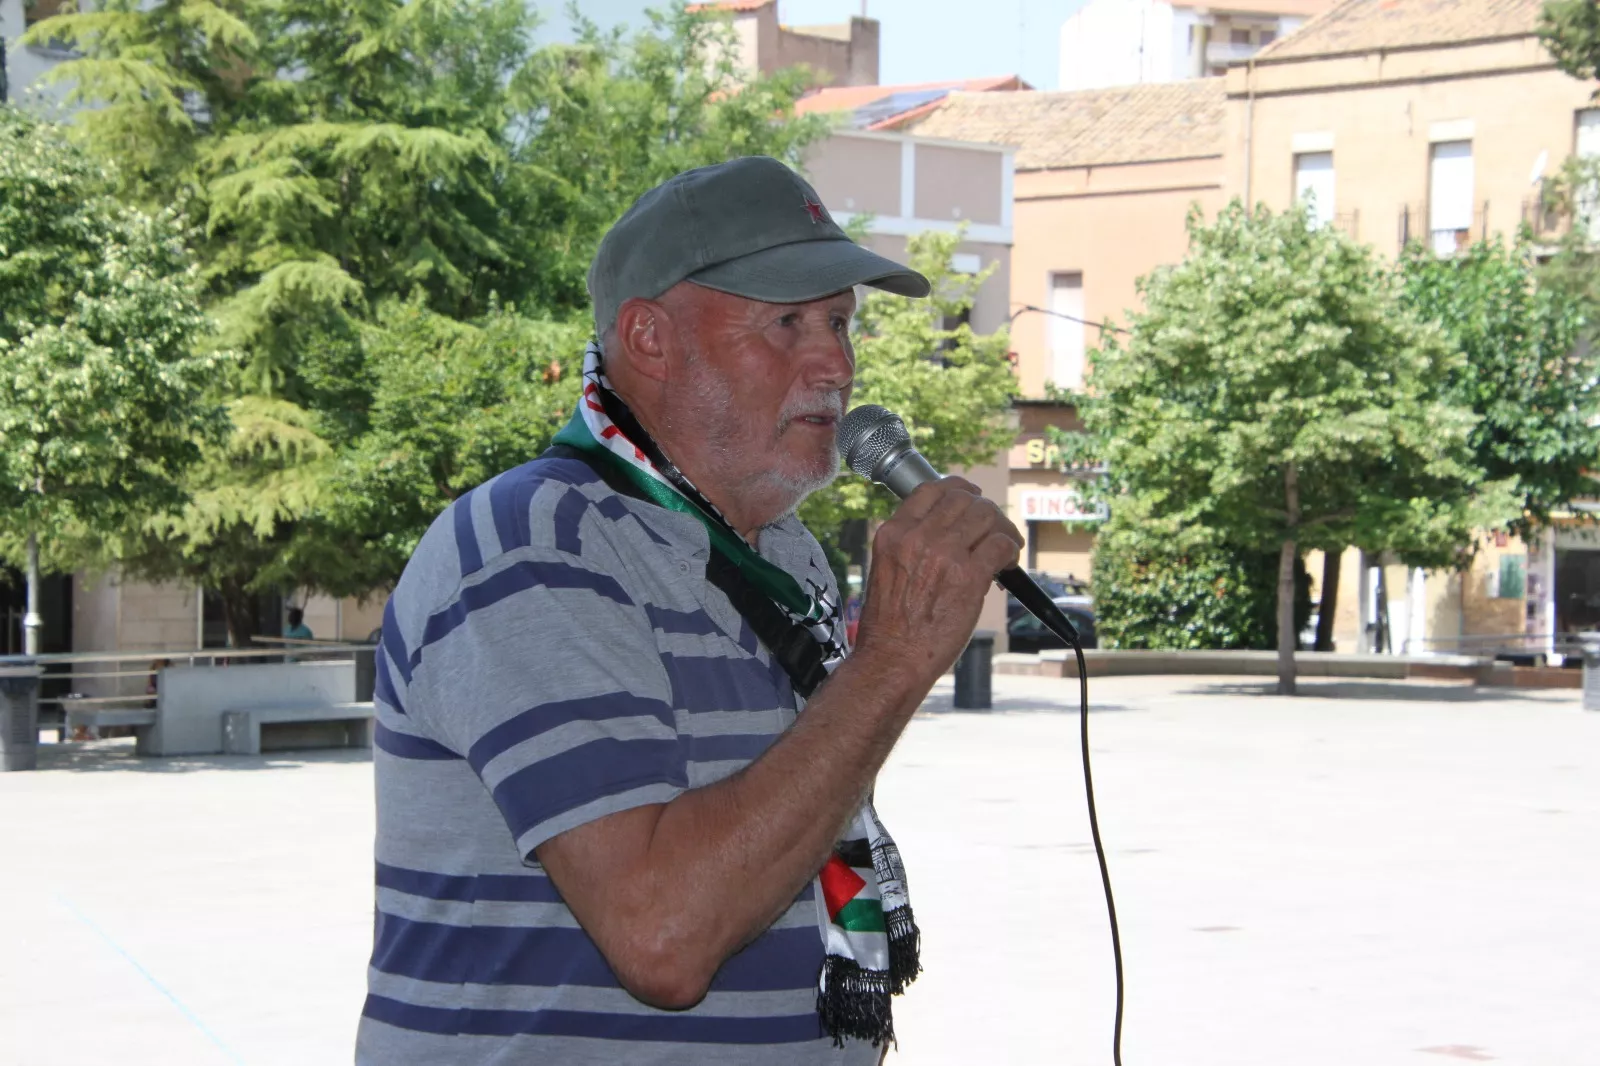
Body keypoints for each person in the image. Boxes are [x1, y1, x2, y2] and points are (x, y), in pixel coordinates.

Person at [356, 156, 1023, 1065]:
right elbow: (662, 937)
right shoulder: (536, 543)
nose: (836, 360)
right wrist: (893, 660)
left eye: (838, 320)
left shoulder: (784, 556)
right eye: (786, 321)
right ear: (649, 338)